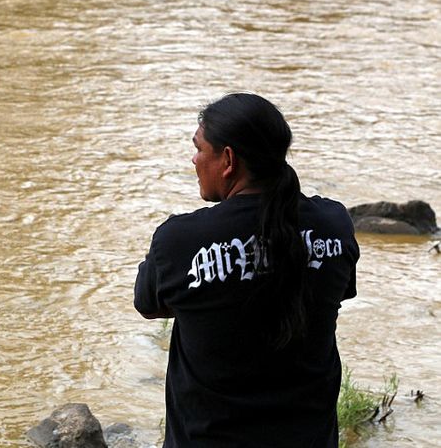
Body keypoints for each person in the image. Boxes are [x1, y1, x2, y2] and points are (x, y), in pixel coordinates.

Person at [134, 93, 359, 448]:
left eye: (198, 148)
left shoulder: (180, 241)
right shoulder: (334, 225)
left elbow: (150, 305)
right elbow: (334, 288)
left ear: (227, 160)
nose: (193, 160)